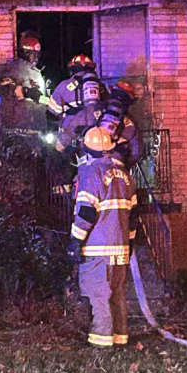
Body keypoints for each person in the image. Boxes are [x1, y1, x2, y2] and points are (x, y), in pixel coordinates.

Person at [67, 127, 138, 348]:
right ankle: (120, 337)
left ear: (87, 150)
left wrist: (75, 241)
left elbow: (86, 213)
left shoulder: (91, 173)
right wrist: (130, 242)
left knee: (98, 295)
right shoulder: (126, 176)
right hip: (121, 248)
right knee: (117, 294)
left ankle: (101, 341)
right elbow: (133, 216)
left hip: (97, 248)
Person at [0, 31, 49, 131]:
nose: (36, 58)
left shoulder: (34, 72)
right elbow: (8, 90)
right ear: (26, 53)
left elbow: (40, 97)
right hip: (21, 123)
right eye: (34, 54)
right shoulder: (16, 69)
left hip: (35, 123)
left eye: (37, 55)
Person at [47, 54, 106, 125]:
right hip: (95, 127)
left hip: (71, 127)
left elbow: (52, 113)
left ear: (73, 69)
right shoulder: (100, 86)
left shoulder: (64, 85)